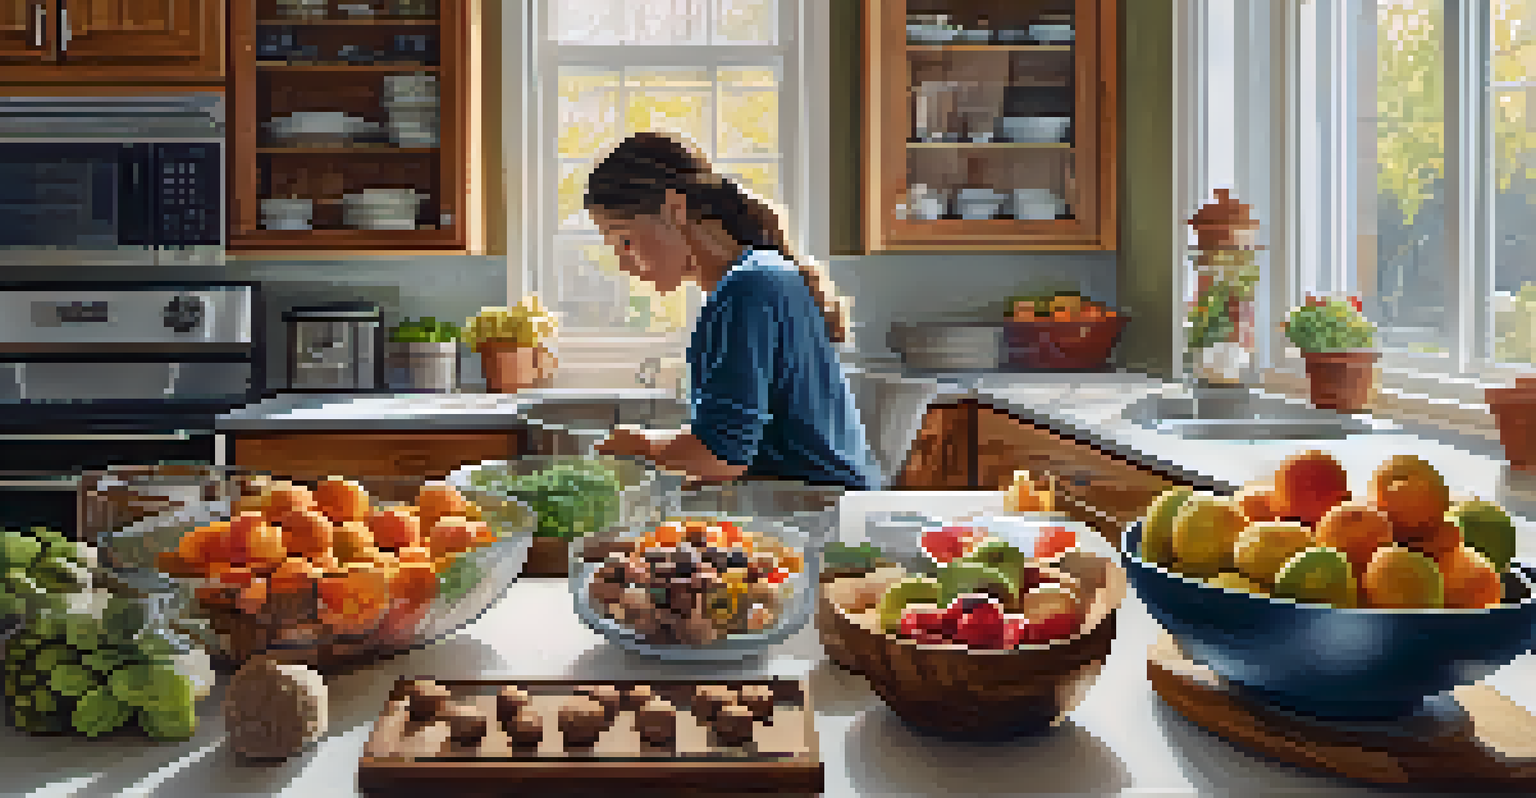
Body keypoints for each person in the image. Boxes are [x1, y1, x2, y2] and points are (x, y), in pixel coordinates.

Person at [585, 131, 878, 490]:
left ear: (674, 209)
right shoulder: (759, 274)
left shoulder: (747, 290)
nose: (624, 264)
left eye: (625, 240)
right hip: (815, 502)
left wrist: (641, 445)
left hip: (818, 514)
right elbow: (735, 443)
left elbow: (720, 457)